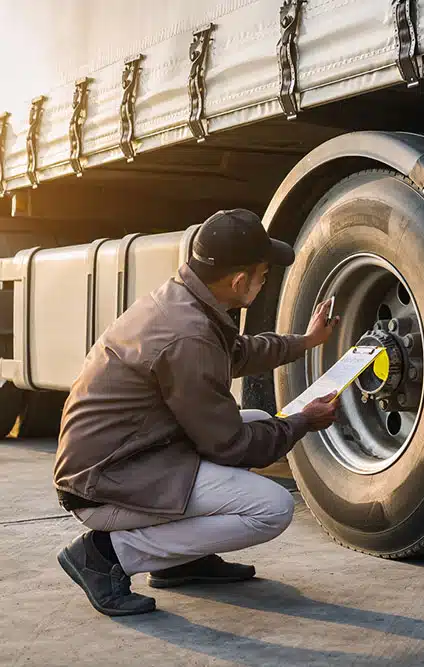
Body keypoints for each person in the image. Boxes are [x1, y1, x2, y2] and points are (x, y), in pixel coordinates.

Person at [52, 208, 341, 617]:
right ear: (240, 281)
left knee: (258, 421)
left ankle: (181, 561)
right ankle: (104, 555)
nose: (264, 280)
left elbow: (237, 354)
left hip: (131, 453)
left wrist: (305, 341)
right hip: (105, 481)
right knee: (271, 509)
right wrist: (303, 422)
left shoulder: (183, 300)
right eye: (264, 274)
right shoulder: (189, 336)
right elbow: (231, 445)